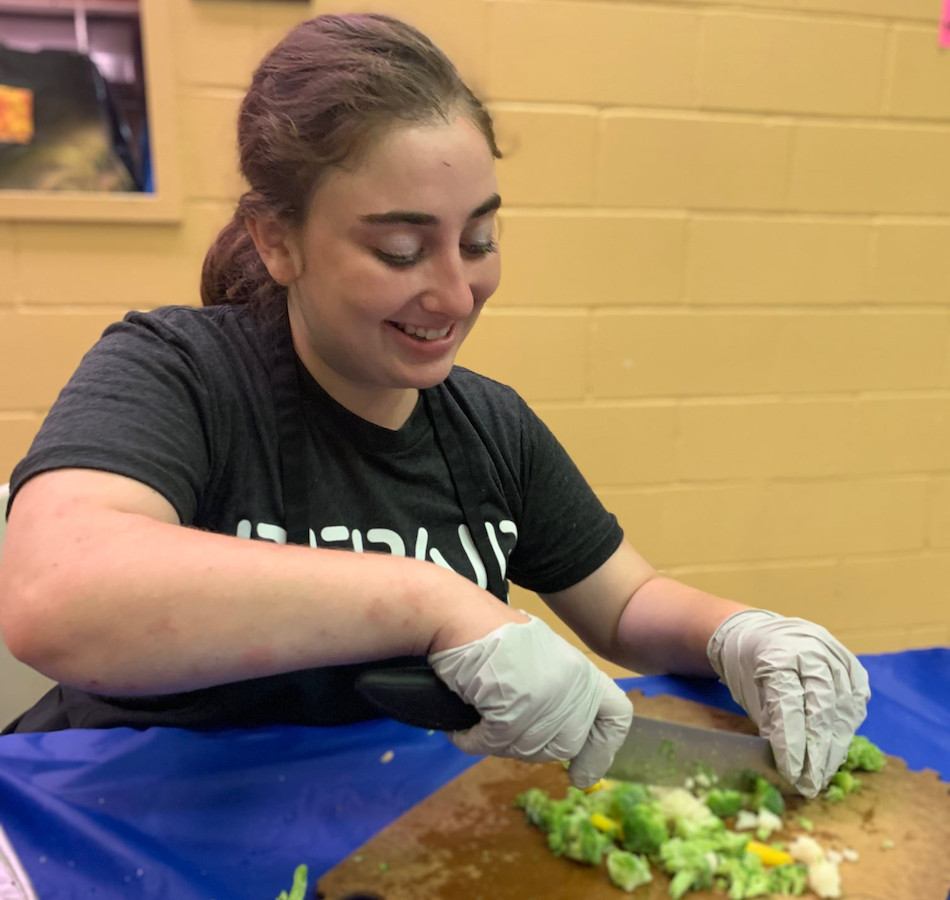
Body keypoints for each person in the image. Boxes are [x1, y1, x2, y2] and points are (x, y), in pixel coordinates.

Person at [0, 13, 868, 797]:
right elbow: (53, 593)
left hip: (393, 837)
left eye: (480, 240)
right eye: (403, 249)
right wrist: (433, 602)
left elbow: (626, 603)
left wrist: (740, 633)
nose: (456, 293)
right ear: (277, 241)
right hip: (136, 831)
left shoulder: (490, 429)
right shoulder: (180, 371)